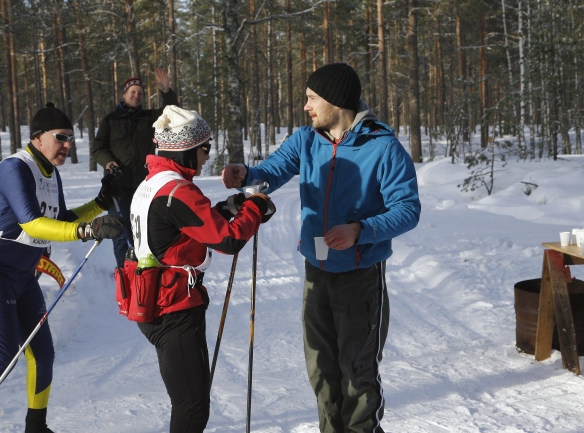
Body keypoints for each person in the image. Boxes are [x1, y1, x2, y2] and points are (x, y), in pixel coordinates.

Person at [221, 63, 421, 433]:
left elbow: (408, 210)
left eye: (313, 98)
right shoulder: (306, 139)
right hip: (317, 269)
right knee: (321, 370)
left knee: (357, 374)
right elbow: (275, 170)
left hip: (360, 275)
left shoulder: (382, 147)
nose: (306, 106)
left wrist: (361, 229)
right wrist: (247, 175)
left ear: (336, 101)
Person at [0, 103, 125, 433]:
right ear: (39, 138)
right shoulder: (15, 169)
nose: (68, 145)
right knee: (2, 356)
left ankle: (36, 428)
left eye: (71, 138)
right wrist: (87, 231)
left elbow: (59, 221)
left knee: (42, 354)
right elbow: (32, 224)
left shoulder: (50, 173)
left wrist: (99, 204)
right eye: (62, 137)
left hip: (24, 276)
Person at [129, 106, 275, 432]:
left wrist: (230, 207)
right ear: (186, 149)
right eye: (205, 147)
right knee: (192, 408)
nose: (208, 155)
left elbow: (189, 228)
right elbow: (228, 241)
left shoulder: (155, 182)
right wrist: (256, 206)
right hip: (173, 310)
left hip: (158, 302)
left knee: (191, 403)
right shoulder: (176, 191)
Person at [92, 67, 180, 269]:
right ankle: (124, 274)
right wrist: (108, 161)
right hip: (117, 186)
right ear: (124, 95)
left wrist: (166, 91)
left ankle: (144, 272)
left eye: (140, 93)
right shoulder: (110, 120)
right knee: (121, 232)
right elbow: (98, 147)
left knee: (145, 230)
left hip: (144, 185)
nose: (136, 95)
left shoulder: (151, 118)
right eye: (132, 92)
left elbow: (173, 113)